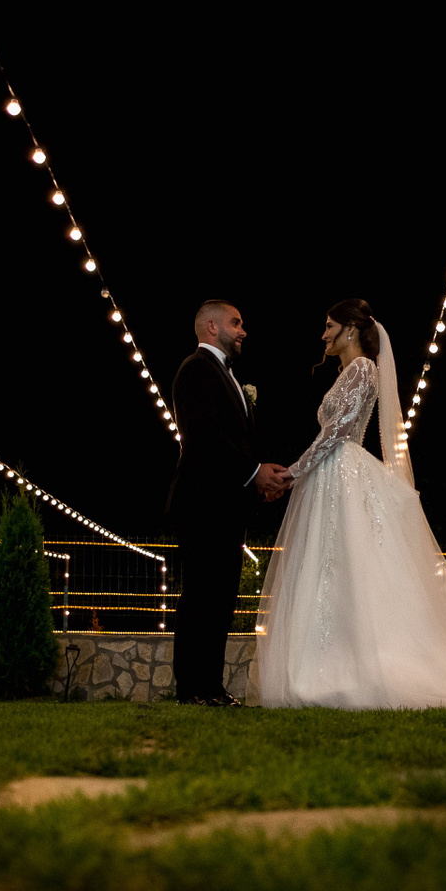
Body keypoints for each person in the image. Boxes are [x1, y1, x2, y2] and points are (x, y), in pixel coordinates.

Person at [254, 299, 446, 709]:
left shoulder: (362, 368)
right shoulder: (348, 372)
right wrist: (299, 475)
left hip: (343, 471)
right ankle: (329, 666)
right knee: (331, 568)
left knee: (349, 565)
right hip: (333, 474)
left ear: (351, 329)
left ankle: (359, 669)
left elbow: (338, 432)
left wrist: (293, 472)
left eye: (330, 326)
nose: (324, 335)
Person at [166, 300, 292, 705]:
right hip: (202, 503)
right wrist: (254, 472)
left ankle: (211, 688)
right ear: (211, 327)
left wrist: (257, 481)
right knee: (201, 596)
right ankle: (192, 690)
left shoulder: (226, 374)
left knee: (220, 600)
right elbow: (204, 437)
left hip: (226, 503)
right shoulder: (196, 369)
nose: (243, 331)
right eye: (236, 323)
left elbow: (236, 442)